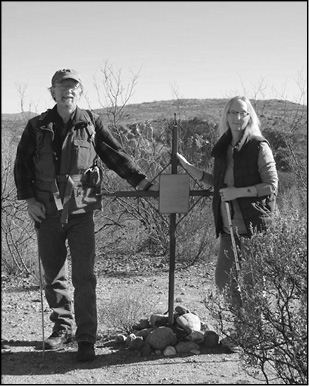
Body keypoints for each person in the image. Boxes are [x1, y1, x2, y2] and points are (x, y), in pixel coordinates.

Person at [14, 68, 158, 362]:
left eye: (73, 88)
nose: (68, 91)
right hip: (47, 209)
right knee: (53, 273)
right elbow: (22, 166)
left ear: (79, 93)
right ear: (52, 91)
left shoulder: (91, 123)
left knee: (85, 276)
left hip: (82, 208)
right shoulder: (37, 126)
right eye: (61, 87)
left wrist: (142, 182)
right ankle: (62, 328)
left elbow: (115, 155)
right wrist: (29, 200)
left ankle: (86, 338)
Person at [177, 96, 278, 346]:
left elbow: (272, 185)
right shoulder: (223, 147)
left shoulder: (258, 146)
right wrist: (189, 167)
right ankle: (243, 327)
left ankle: (253, 334)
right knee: (224, 280)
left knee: (254, 283)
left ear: (249, 116)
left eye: (242, 113)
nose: (236, 118)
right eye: (232, 113)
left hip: (255, 227)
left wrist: (238, 193)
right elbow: (219, 183)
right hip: (228, 228)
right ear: (226, 116)